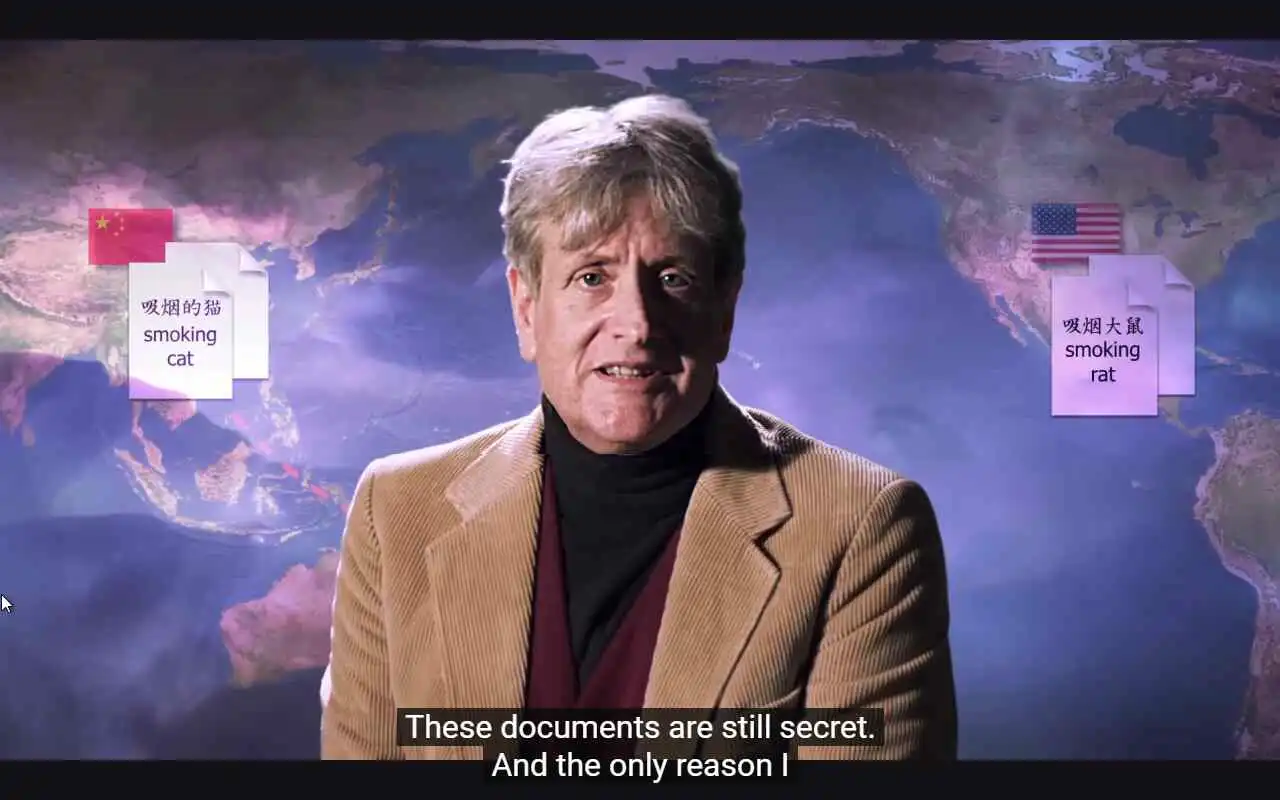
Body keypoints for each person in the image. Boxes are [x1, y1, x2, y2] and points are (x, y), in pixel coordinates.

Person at [320, 94, 956, 761]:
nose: (638, 323)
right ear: (526, 307)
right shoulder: (398, 511)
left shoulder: (861, 528)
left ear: (723, 311)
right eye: (591, 276)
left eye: (673, 278)